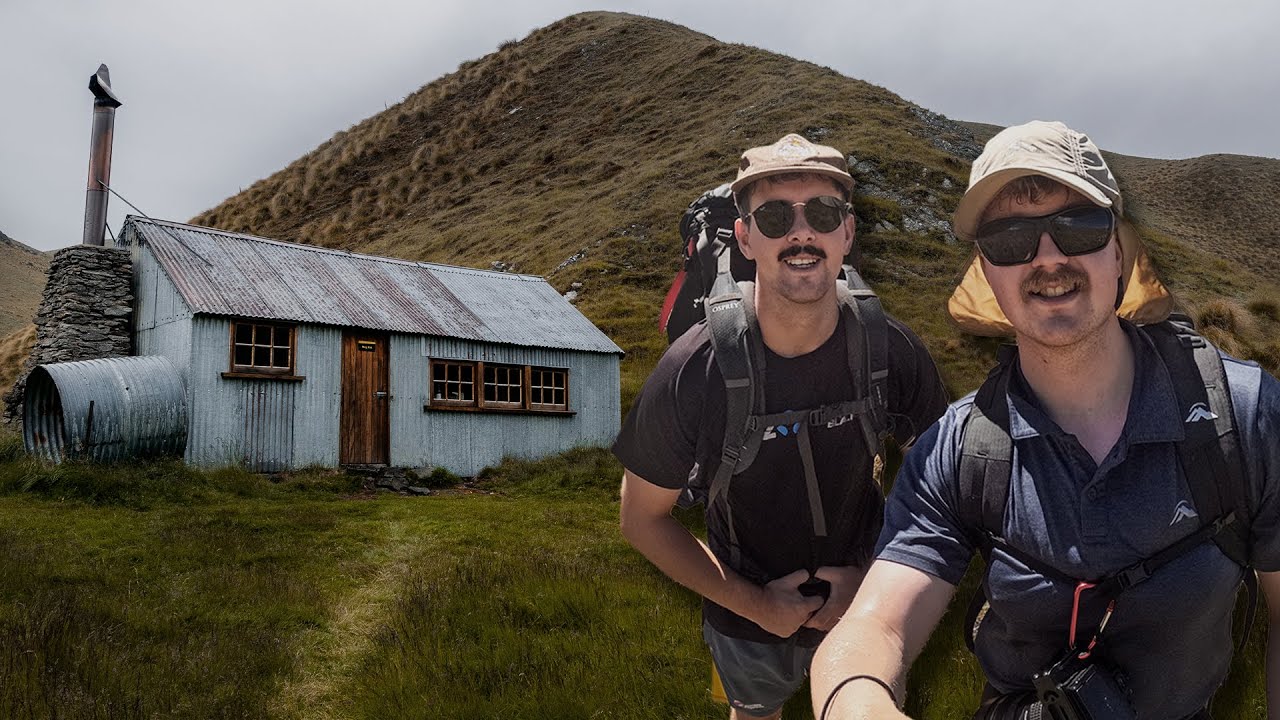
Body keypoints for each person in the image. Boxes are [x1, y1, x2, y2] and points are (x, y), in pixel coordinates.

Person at [810, 120, 1280, 720]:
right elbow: (875, 627)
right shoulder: (957, 452)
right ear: (987, 272)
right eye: (1010, 239)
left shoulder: (1245, 415)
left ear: (1118, 251)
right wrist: (858, 703)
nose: (1050, 259)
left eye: (1078, 227)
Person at [614, 133, 947, 719]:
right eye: (774, 217)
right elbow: (641, 519)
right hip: (744, 619)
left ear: (847, 232)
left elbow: (943, 495)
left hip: (866, 608)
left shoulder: (889, 350)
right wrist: (756, 605)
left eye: (823, 213)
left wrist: (873, 583)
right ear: (745, 237)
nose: (801, 233)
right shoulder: (697, 368)